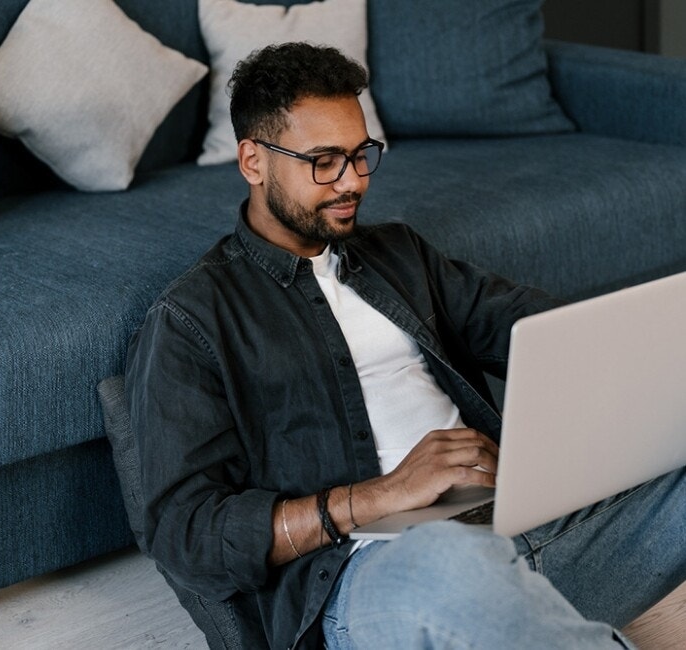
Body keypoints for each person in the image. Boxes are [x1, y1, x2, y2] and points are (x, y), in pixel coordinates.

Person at [125, 42, 685, 649]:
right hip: (379, 578)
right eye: (324, 161)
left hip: (528, 531)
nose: (353, 182)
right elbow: (188, 536)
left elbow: (539, 330)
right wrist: (382, 495)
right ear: (253, 161)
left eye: (362, 155)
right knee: (445, 559)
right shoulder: (192, 320)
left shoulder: (397, 253)